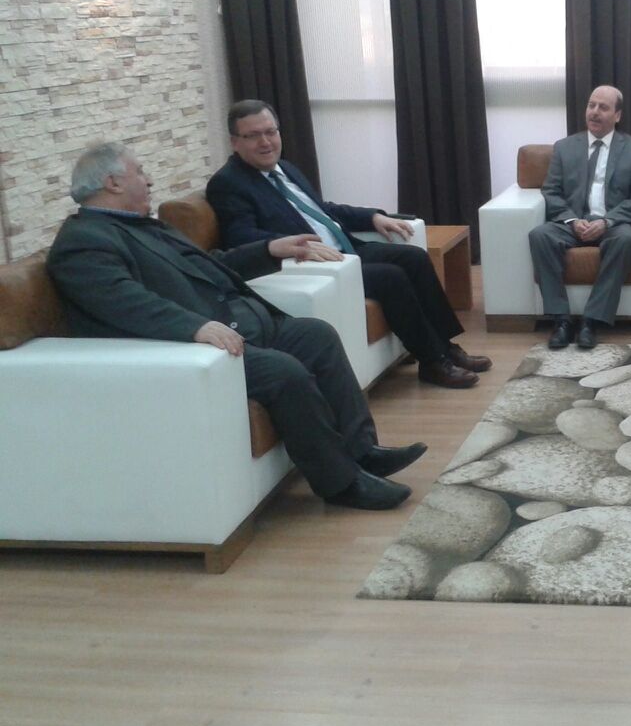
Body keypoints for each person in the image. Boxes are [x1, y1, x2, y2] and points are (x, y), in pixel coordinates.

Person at [47, 142, 424, 511]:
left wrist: (270, 250)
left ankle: (363, 451)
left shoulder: (145, 226)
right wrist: (195, 327)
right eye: (140, 172)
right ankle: (341, 484)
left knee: (316, 335)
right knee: (284, 371)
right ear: (113, 183)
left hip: (242, 321)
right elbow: (124, 302)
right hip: (201, 345)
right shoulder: (83, 242)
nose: (149, 180)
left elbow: (208, 264)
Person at [206, 99, 490, 389]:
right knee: (391, 277)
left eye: (270, 132)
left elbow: (323, 209)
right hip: (320, 264)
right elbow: (240, 236)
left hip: (346, 249)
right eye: (253, 136)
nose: (265, 142)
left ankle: (446, 347)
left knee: (414, 257)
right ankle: (432, 361)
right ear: (235, 142)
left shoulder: (285, 169)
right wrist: (285, 245)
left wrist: (373, 217)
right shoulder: (228, 183)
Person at [527, 85, 631, 350]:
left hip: (614, 225)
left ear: (617, 115)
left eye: (603, 107)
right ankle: (561, 320)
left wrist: (607, 222)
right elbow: (551, 191)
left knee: (626, 239)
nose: (594, 112)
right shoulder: (564, 148)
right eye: (591, 105)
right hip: (573, 223)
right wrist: (572, 220)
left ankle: (591, 321)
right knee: (540, 235)